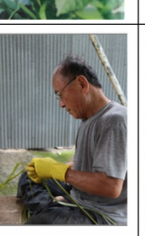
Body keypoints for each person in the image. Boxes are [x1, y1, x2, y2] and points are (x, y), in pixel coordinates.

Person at [17, 55, 127, 225]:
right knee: (29, 177)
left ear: (82, 84)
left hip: (101, 214)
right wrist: (52, 167)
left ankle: (52, 209)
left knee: (38, 224)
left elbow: (111, 187)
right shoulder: (87, 118)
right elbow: (83, 165)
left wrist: (60, 171)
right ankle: (53, 207)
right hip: (79, 194)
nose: (61, 104)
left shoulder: (114, 120)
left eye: (60, 94)